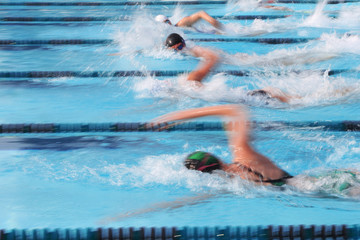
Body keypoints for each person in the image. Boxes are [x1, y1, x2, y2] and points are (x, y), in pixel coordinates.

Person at [149, 104, 360, 194]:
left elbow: (237, 109)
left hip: (326, 188)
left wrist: (176, 116)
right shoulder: (241, 154)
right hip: (327, 179)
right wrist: (176, 116)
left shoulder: (238, 176)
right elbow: (234, 110)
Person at [165, 33, 299, 103]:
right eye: (175, 51)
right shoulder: (193, 87)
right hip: (255, 95)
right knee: (298, 101)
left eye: (180, 48)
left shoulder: (191, 80)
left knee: (299, 102)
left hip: (256, 92)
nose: (180, 52)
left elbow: (215, 58)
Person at [155, 11, 223, 31]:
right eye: (165, 23)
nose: (168, 24)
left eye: (167, 21)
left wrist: (213, 22)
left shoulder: (181, 24)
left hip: (215, 32)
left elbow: (200, 13)